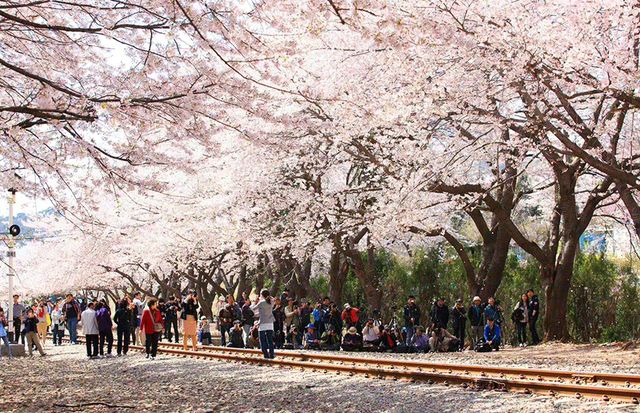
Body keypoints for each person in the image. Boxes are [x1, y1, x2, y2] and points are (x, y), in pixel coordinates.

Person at [251, 289, 276, 359]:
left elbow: (253, 309)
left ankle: (265, 354)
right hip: (270, 322)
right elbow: (273, 299)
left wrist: (255, 302)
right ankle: (272, 354)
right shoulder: (271, 302)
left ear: (262, 295)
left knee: (262, 340)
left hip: (262, 323)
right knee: (270, 339)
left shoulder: (261, 303)